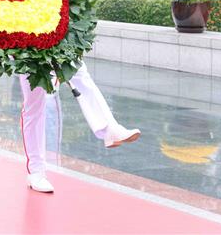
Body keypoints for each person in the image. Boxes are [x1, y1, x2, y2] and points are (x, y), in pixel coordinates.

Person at [20, 63, 141, 193]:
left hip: (58, 44)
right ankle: (37, 171)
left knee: (78, 71)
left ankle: (110, 129)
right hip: (27, 50)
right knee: (34, 104)